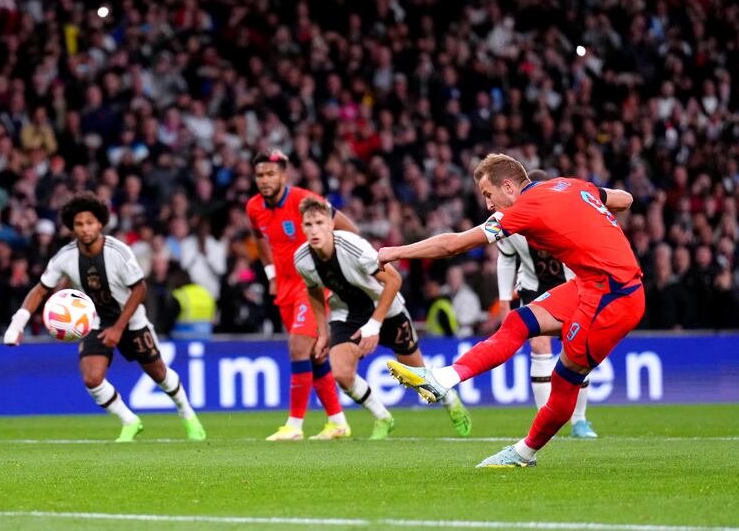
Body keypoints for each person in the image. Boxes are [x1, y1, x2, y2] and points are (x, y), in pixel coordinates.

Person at [378, 153, 643, 467]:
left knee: (564, 380)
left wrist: (395, 251)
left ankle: (524, 453)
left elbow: (454, 245)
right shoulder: (569, 184)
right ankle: (444, 379)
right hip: (589, 284)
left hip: (614, 297)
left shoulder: (524, 209)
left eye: (489, 195)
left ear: (508, 186)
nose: (489, 205)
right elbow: (624, 199)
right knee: (518, 320)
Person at [3, 192, 206, 442]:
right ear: (71, 227)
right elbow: (40, 289)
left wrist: (120, 328)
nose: (85, 229)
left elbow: (140, 289)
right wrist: (17, 324)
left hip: (131, 321)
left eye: (90, 223)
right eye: (79, 224)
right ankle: (130, 421)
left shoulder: (118, 251)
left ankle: (188, 416)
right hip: (96, 322)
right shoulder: (65, 257)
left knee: (159, 373)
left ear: (100, 223)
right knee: (91, 378)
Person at [293, 197, 472, 439]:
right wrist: (322, 332)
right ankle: (382, 417)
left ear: (330, 225)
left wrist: (374, 326)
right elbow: (313, 290)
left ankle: (450, 400)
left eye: (319, 222)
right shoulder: (302, 259)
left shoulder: (353, 247)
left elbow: (394, 280)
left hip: (387, 310)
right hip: (347, 313)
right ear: (302, 228)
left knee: (418, 376)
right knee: (342, 373)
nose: (314, 230)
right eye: (308, 224)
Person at [246, 150, 357, 441]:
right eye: (260, 175)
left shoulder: (305, 201)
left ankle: (294, 425)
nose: (265, 180)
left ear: (284, 175)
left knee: (298, 346)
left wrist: (338, 269)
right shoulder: (254, 207)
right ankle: (337, 422)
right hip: (283, 287)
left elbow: (349, 230)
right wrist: (270, 274)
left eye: (271, 174)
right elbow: (259, 237)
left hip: (312, 285)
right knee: (313, 354)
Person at [496, 169, 597, 439]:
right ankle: (546, 420)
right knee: (539, 346)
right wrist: (504, 299)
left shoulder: (562, 213)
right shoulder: (509, 220)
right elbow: (506, 258)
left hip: (571, 284)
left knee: (575, 350)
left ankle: (579, 420)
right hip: (532, 286)